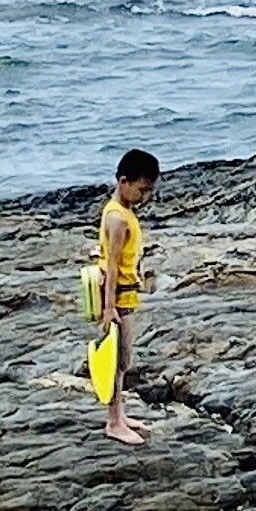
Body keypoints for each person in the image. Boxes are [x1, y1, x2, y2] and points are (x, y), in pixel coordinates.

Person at [91, 148, 161, 446]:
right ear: (124, 181)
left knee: (123, 359)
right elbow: (111, 263)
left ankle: (119, 413)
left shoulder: (122, 211)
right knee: (118, 359)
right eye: (141, 189)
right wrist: (108, 309)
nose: (144, 197)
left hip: (126, 295)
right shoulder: (118, 218)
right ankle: (113, 421)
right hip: (118, 299)